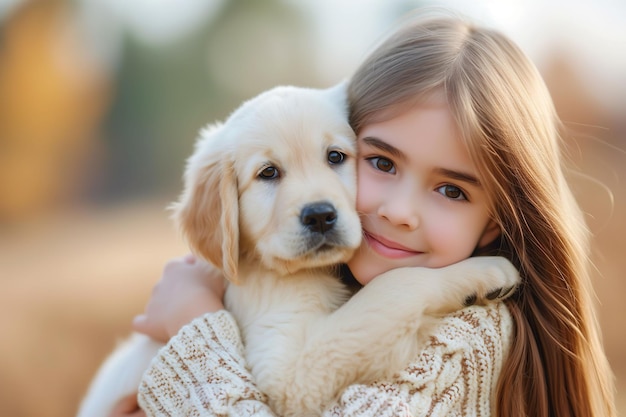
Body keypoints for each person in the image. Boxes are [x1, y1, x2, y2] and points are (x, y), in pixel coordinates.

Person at [114, 11, 617, 417]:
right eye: (379, 162)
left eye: (451, 190)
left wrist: (193, 332)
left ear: (498, 220)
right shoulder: (284, 283)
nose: (398, 212)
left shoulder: (463, 351)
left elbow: (292, 392)